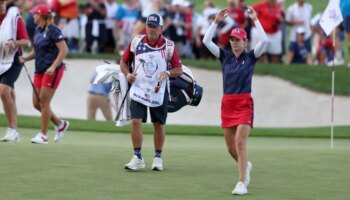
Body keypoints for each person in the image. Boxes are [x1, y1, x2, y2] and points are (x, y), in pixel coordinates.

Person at [203, 7, 267, 195]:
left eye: (238, 40)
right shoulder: (225, 57)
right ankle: (245, 165)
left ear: (245, 42)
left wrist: (255, 20)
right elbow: (206, 41)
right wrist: (216, 21)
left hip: (244, 104)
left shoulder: (251, 58)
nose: (234, 43)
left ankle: (241, 183)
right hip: (227, 105)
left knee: (240, 142)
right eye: (232, 40)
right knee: (231, 149)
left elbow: (264, 40)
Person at [120, 13, 182, 171]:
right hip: (139, 87)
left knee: (158, 124)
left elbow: (178, 69)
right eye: (149, 26)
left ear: (161, 28)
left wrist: (167, 73)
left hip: (158, 90)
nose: (151, 29)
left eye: (155, 27)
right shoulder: (136, 41)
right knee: (135, 121)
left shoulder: (168, 46)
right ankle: (137, 156)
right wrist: (128, 74)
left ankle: (158, 157)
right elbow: (123, 61)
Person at [20, 4, 69, 144]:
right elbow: (35, 51)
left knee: (43, 101)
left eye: (35, 14)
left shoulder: (53, 30)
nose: (33, 16)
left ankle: (43, 135)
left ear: (41, 15)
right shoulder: (37, 30)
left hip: (52, 70)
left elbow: (64, 50)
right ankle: (60, 124)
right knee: (36, 103)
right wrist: (25, 58)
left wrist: (53, 67)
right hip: (40, 70)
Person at [0, 0, 30, 142]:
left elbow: (26, 41)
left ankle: (11, 130)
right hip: (1, 61)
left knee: (3, 91)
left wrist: (14, 43)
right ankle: (14, 131)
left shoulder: (14, 17)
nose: (1, 5)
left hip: (15, 59)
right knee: (10, 93)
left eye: (2, 2)